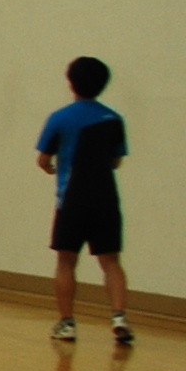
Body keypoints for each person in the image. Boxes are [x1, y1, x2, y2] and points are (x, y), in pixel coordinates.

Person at [38, 55, 131, 349]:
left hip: (71, 201)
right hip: (106, 198)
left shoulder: (59, 118)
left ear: (71, 83)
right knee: (111, 263)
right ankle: (119, 318)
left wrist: (52, 168)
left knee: (66, 261)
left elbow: (43, 160)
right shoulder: (114, 119)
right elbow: (116, 160)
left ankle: (66, 323)